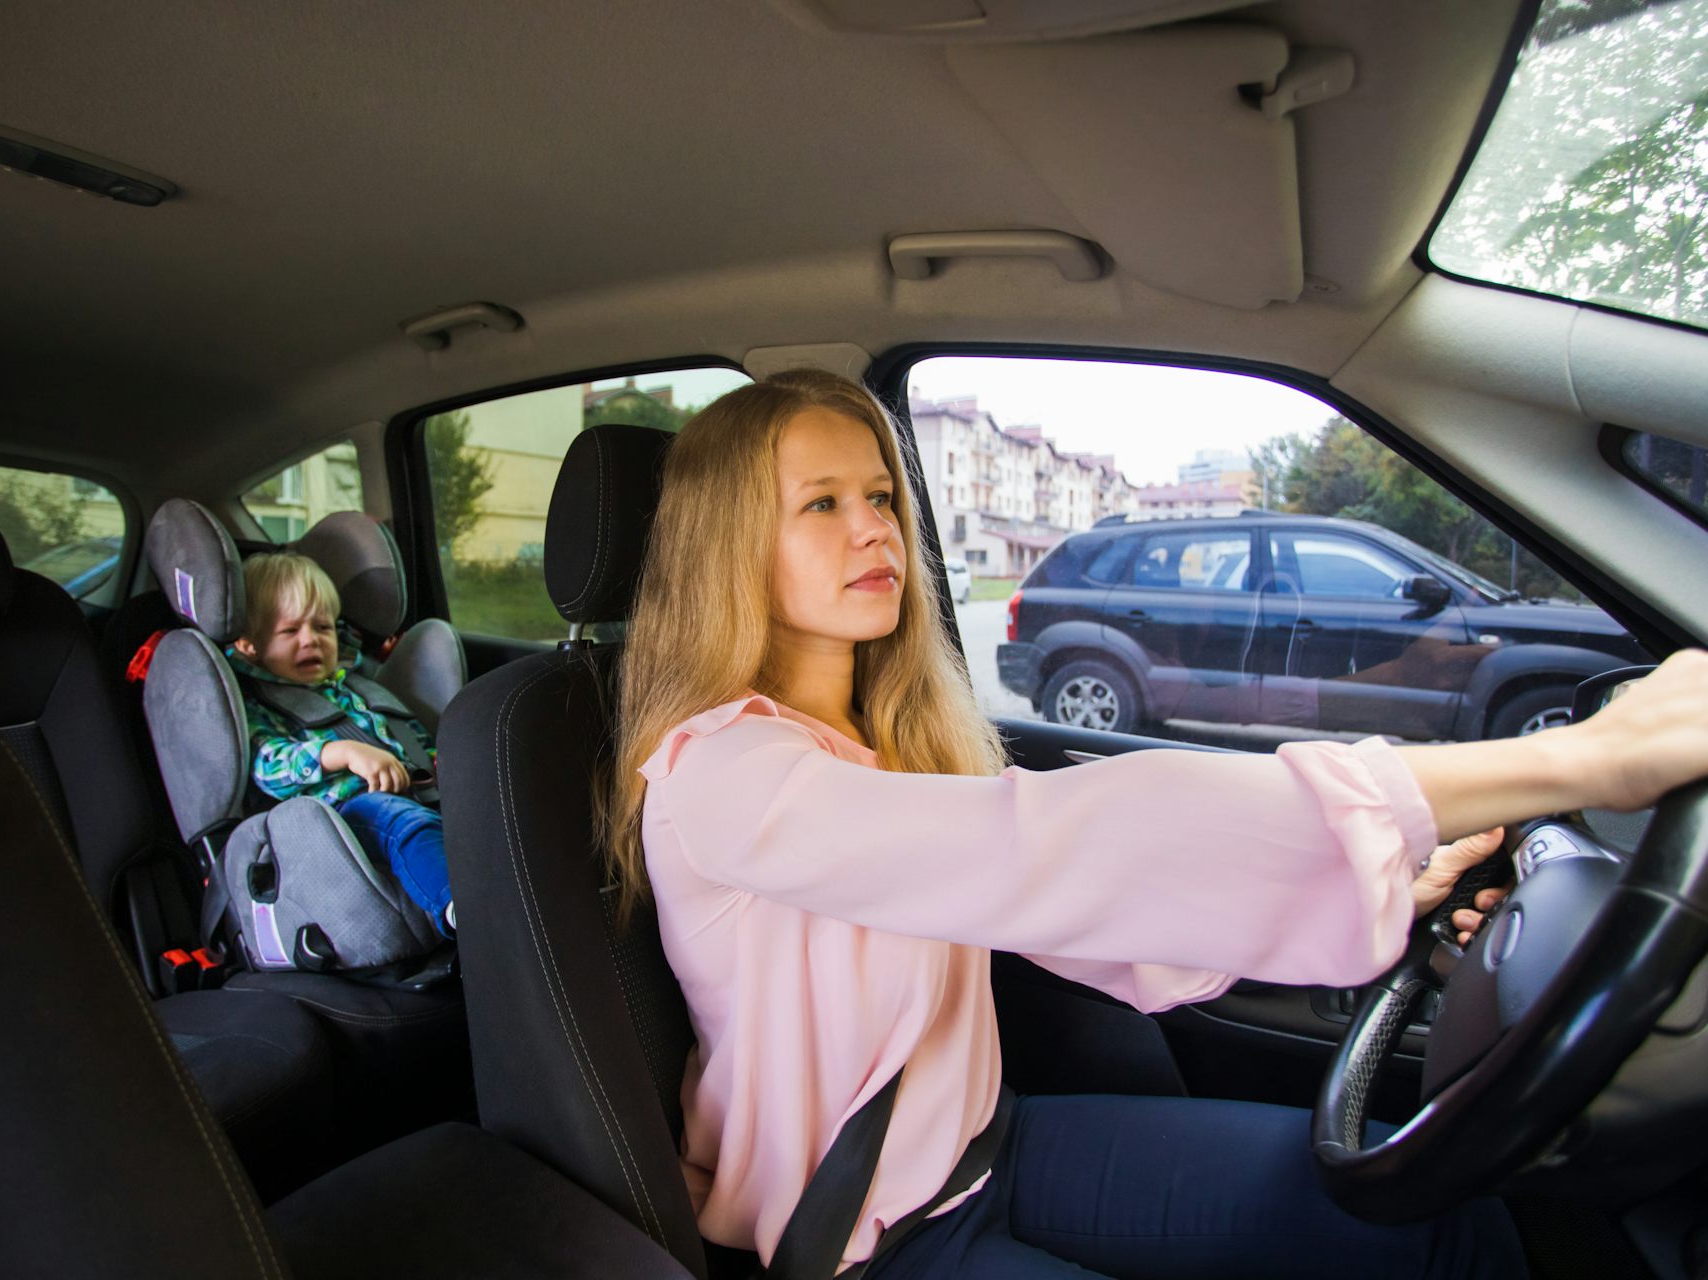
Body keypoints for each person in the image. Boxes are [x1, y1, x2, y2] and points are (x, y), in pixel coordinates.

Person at [601, 370, 1708, 1278]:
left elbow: (1073, 909)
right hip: (863, 1238)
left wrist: (1374, 877)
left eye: (881, 495)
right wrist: (1576, 758)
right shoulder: (723, 770)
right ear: (733, 542)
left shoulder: (891, 742)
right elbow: (1053, 841)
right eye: (822, 502)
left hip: (996, 1146)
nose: (874, 528)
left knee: (1436, 1220)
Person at [229, 551, 455, 938]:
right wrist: (341, 753)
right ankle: (461, 909)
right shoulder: (255, 705)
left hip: (411, 793)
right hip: (342, 816)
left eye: (322, 627)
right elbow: (268, 766)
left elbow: (412, 740)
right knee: (403, 824)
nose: (310, 641)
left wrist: (443, 764)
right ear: (251, 644)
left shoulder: (357, 689)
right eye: (290, 631)